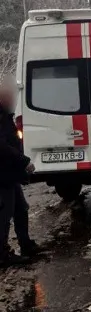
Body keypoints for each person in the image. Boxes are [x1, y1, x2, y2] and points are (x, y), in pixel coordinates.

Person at [0, 78, 39, 266]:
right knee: (4, 215)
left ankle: (26, 244)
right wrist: (23, 161)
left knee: (21, 209)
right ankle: (2, 254)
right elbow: (2, 147)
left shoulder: (5, 115)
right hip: (3, 176)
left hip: (10, 174)